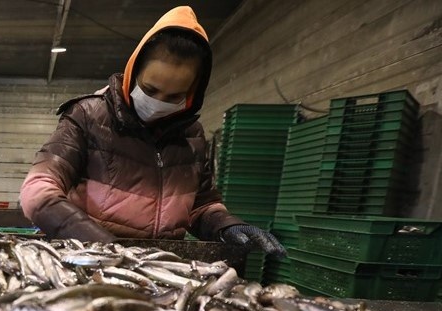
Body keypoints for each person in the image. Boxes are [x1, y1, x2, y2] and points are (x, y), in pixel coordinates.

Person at [19, 6, 285, 257]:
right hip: (90, 262)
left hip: (158, 266)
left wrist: (227, 225)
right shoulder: (89, 115)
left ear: (193, 92)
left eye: (174, 96)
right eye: (150, 89)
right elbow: (38, 191)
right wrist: (103, 246)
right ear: (133, 72)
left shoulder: (191, 136)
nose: (159, 102)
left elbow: (200, 206)